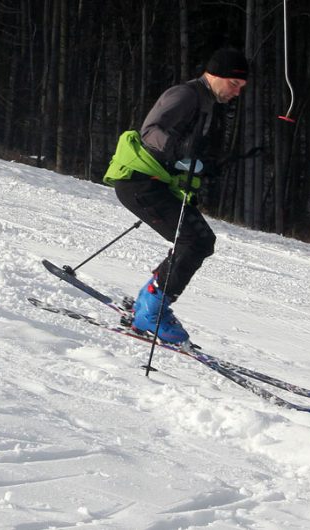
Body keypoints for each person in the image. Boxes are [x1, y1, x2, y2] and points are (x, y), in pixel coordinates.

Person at [103, 47, 249, 343]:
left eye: (241, 88)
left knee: (197, 241)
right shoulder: (185, 95)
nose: (236, 92)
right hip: (139, 182)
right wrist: (184, 154)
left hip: (152, 181)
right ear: (214, 75)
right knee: (195, 240)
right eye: (234, 84)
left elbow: (179, 150)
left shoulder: (204, 102)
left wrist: (201, 166)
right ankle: (152, 311)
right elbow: (150, 132)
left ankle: (149, 301)